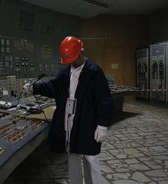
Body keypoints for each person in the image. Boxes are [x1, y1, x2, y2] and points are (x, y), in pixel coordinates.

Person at [23, 36, 113, 183]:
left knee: (91, 160)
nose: (71, 62)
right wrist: (33, 87)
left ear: (81, 53)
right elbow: (52, 87)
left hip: (87, 124)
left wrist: (102, 125)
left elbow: (104, 100)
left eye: (73, 59)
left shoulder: (94, 72)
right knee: (73, 157)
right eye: (68, 60)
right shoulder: (66, 73)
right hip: (69, 122)